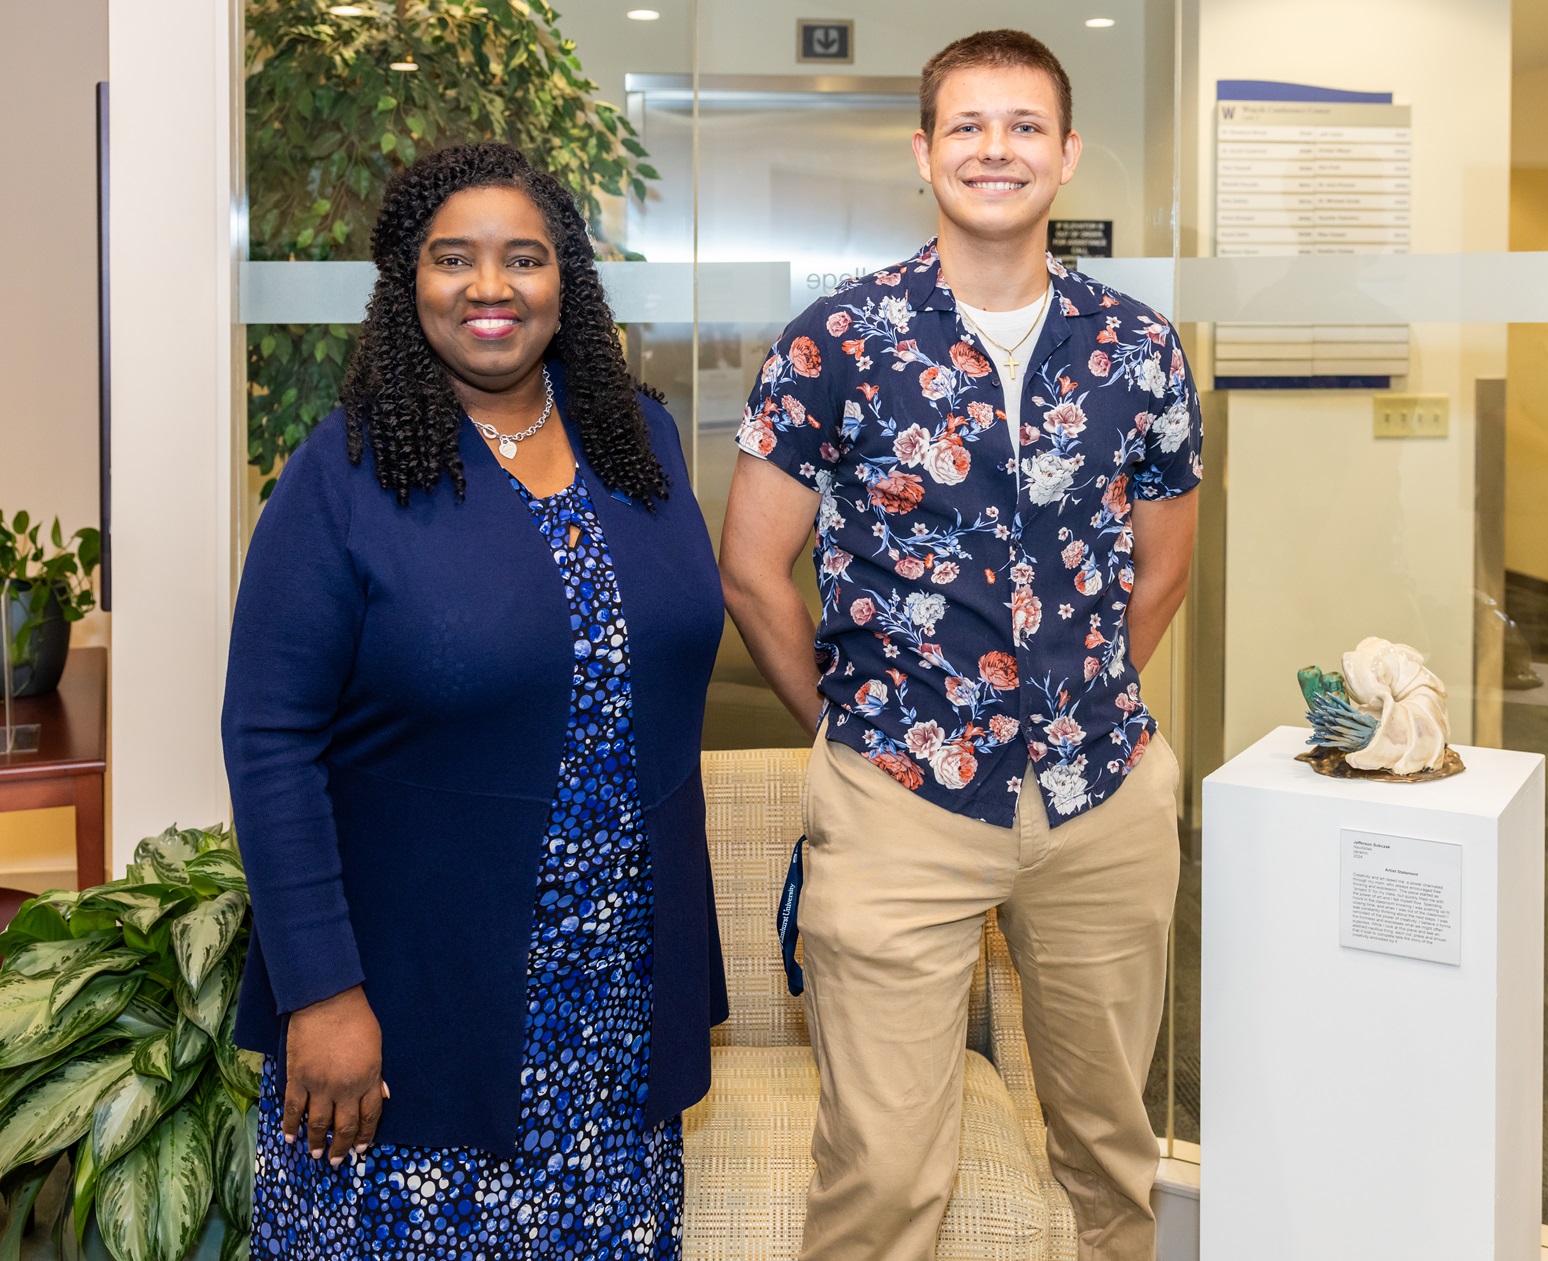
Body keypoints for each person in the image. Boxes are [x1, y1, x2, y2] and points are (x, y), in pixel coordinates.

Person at [720, 28, 1202, 1261]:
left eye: (1026, 126)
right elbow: (751, 565)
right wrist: (841, 730)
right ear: (924, 150)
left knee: (1108, 1151)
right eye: (971, 126)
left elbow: (1162, 567)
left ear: (1068, 154)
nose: (999, 149)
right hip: (897, 801)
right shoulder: (837, 339)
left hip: (1101, 800)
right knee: (883, 1173)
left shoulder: (1139, 349)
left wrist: (1075, 701)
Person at [222, 142, 727, 1259]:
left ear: (568, 282)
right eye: (454, 259)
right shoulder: (345, 471)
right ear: (409, 279)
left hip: (616, 1004)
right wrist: (321, 991)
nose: (490, 288)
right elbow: (268, 740)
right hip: (416, 1006)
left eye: (524, 259)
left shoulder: (636, 442)